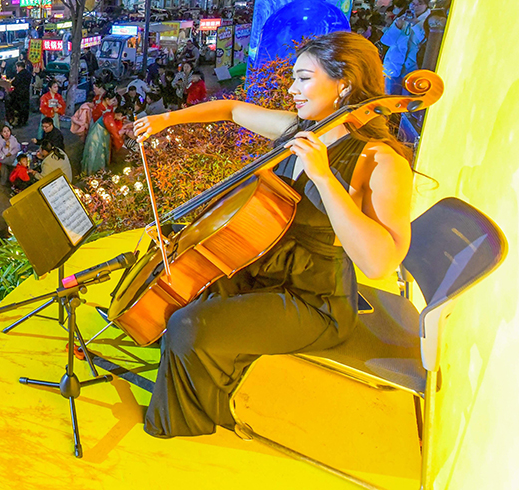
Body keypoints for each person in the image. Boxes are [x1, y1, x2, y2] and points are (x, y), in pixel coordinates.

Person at [131, 31, 414, 438]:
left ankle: (183, 428)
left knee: (189, 327)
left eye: (303, 79)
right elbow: (230, 109)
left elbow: (379, 261)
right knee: (186, 300)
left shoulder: (380, 161)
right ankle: (213, 403)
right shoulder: (295, 132)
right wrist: (165, 120)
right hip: (265, 273)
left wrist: (324, 177)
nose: (291, 88)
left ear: (344, 84)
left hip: (316, 300)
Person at [382, 0, 431, 95]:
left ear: (426, 5)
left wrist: (415, 23)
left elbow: (426, 40)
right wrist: (396, 27)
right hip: (394, 65)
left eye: (420, 3)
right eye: (413, 3)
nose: (415, 6)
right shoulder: (402, 18)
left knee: (407, 101)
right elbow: (386, 41)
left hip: (413, 66)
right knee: (388, 99)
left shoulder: (428, 22)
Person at [10, 61, 32, 127]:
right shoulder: (28, 73)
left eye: (17, 67)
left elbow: (14, 83)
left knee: (19, 108)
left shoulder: (19, 75)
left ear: (19, 67)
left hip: (19, 93)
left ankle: (19, 122)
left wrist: (13, 80)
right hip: (26, 93)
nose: (16, 68)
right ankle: (25, 121)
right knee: (25, 107)